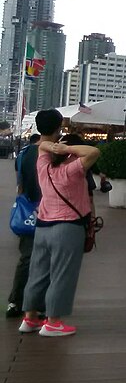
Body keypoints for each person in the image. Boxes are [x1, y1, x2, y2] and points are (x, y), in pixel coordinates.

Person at [19, 110, 100, 337]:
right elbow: (94, 151)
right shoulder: (73, 169)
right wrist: (67, 148)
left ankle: (30, 318)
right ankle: (53, 322)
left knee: (38, 273)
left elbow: (42, 146)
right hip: (68, 228)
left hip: (43, 226)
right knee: (62, 275)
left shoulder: (43, 165)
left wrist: (55, 146)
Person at [6, 134, 41, 318]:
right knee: (47, 261)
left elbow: (19, 184)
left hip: (27, 211)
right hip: (49, 212)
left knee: (26, 259)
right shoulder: (50, 153)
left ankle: (15, 302)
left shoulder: (23, 154)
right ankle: (40, 306)